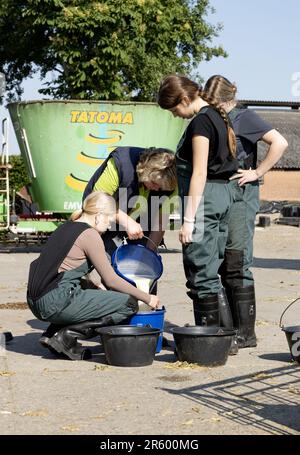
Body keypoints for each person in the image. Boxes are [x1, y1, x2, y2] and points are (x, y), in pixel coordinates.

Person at [202, 75, 288, 348]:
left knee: (237, 261)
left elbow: (280, 142)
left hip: (241, 194)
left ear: (229, 99)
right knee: (219, 260)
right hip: (219, 194)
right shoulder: (211, 118)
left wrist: (258, 172)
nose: (215, 109)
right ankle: (227, 330)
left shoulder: (245, 117)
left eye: (218, 105)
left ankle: (245, 333)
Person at [27, 191, 160, 360]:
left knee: (90, 293)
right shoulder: (90, 235)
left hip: (35, 299)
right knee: (128, 304)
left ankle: (51, 333)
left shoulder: (67, 226)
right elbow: (111, 280)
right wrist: (147, 298)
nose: (108, 227)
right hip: (54, 301)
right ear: (98, 216)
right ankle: (65, 336)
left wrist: (92, 287)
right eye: (109, 221)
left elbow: (61, 271)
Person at [157, 74, 240, 329]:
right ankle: (225, 337)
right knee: (211, 271)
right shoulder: (217, 116)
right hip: (223, 195)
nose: (174, 115)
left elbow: (200, 172)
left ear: (184, 98)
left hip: (205, 199)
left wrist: (189, 220)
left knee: (200, 272)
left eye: (174, 109)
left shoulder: (201, 122)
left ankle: (210, 338)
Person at [82, 146, 178, 265]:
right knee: (96, 260)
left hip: (140, 228)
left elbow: (159, 223)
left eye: (161, 187)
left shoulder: (172, 185)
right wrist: (127, 221)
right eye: (154, 183)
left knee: (143, 270)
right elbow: (96, 202)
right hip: (101, 219)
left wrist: (148, 256)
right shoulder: (121, 164)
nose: (157, 189)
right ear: (145, 170)